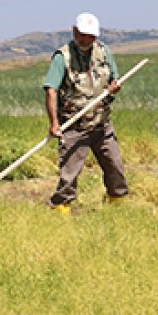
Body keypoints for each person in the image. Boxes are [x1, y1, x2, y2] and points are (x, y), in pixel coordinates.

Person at [43, 12, 128, 215]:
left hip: (102, 124)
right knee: (69, 175)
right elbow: (51, 89)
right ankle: (60, 210)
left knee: (115, 166)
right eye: (82, 35)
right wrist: (54, 122)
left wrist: (115, 87)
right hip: (73, 126)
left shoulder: (104, 52)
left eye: (91, 36)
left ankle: (116, 207)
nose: (86, 40)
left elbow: (114, 80)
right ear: (74, 31)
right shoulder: (62, 57)